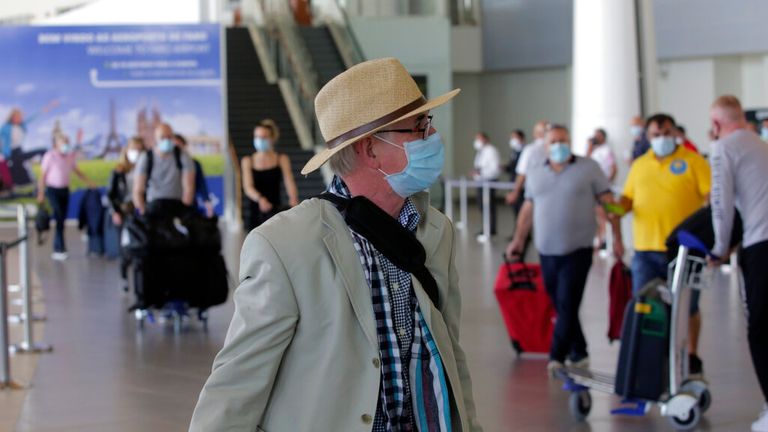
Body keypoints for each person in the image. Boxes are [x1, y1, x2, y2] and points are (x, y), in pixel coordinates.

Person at [190, 57, 482, 432]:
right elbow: (237, 383)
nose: (432, 136)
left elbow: (449, 355)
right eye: (419, 127)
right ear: (370, 149)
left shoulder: (435, 229)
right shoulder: (284, 245)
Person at [506, 124, 624, 375]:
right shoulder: (536, 172)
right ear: (545, 146)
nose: (559, 146)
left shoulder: (589, 168)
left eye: (563, 140)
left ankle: (557, 355)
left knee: (568, 301)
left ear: (570, 141)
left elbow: (608, 203)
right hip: (547, 251)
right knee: (560, 302)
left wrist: (618, 235)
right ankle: (579, 351)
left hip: (578, 249)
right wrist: (518, 240)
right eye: (554, 142)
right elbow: (527, 210)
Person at [618, 113, 711, 376]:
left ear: (675, 133)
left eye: (666, 133)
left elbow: (710, 197)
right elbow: (627, 199)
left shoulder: (693, 161)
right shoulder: (640, 165)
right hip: (645, 249)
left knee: (687, 306)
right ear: (647, 137)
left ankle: (691, 356)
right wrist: (614, 208)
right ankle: (649, 357)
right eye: (656, 135)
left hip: (685, 250)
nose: (661, 139)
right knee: (644, 304)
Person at [707, 95, 768, 432]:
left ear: (716, 124)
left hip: (761, 246)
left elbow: (721, 204)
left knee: (760, 329)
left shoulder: (723, 149)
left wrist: (718, 248)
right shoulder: (761, 145)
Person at [36, 132, 96, 260]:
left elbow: (77, 171)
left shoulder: (69, 156)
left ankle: (60, 247)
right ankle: (59, 248)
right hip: (52, 190)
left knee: (62, 219)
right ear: (56, 144)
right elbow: (43, 176)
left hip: (65, 190)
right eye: (64, 142)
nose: (66, 144)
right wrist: (40, 193)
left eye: (67, 142)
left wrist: (89, 182)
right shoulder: (49, 156)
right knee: (58, 217)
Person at [240, 119, 299, 230]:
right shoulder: (248, 160)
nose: (259, 140)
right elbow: (248, 187)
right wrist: (260, 199)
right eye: (257, 137)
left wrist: (293, 199)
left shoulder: (281, 159)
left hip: (275, 210)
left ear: (272, 139)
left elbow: (289, 181)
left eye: (263, 137)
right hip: (255, 211)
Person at [132, 123, 196, 219]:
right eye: (162, 137)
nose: (166, 140)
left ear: (173, 137)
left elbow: (189, 189)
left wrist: (183, 214)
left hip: (176, 207)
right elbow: (137, 191)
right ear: (155, 139)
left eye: (169, 137)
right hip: (153, 207)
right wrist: (140, 213)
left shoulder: (183, 156)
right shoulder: (146, 158)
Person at [108, 137, 145, 286]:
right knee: (125, 246)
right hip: (124, 212)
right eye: (133, 149)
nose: (135, 152)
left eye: (139, 149)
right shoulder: (118, 171)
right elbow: (111, 194)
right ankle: (124, 276)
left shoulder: (145, 169)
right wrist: (115, 211)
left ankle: (141, 279)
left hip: (140, 212)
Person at [1, 102, 58, 189]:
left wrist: (47, 108)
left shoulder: (21, 125)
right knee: (19, 167)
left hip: (19, 150)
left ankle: (48, 174)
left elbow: (33, 117)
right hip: (11, 153)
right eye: (18, 116)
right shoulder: (6, 127)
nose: (20, 118)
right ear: (12, 117)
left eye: (20, 117)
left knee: (43, 151)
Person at [504, 120, 548, 207]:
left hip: (532, 194)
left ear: (535, 133)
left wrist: (515, 192)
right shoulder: (552, 149)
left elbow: (522, 173)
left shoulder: (530, 150)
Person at [587, 128, 617, 250]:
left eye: (598, 136)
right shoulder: (594, 151)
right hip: (592, 189)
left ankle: (606, 242)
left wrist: (606, 183)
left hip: (603, 190)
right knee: (599, 217)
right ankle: (599, 241)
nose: (595, 138)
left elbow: (613, 168)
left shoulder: (606, 150)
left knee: (608, 215)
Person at [173, 133, 215, 217]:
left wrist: (207, 203)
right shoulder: (164, 165)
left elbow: (201, 184)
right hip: (170, 203)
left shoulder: (194, 164)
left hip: (189, 204)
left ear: (184, 146)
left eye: (178, 145)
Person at [470, 132, 501, 239]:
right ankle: (486, 228)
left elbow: (494, 169)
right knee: (482, 206)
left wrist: (481, 172)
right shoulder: (481, 152)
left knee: (488, 206)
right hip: (481, 182)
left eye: (479, 139)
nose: (477, 141)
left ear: (486, 139)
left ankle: (490, 229)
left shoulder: (491, 151)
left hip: (489, 182)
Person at [505, 129, 527, 216]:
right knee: (515, 209)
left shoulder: (526, 151)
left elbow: (522, 171)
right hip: (514, 182)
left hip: (522, 186)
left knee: (522, 209)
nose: (512, 140)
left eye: (514, 137)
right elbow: (512, 166)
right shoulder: (514, 151)